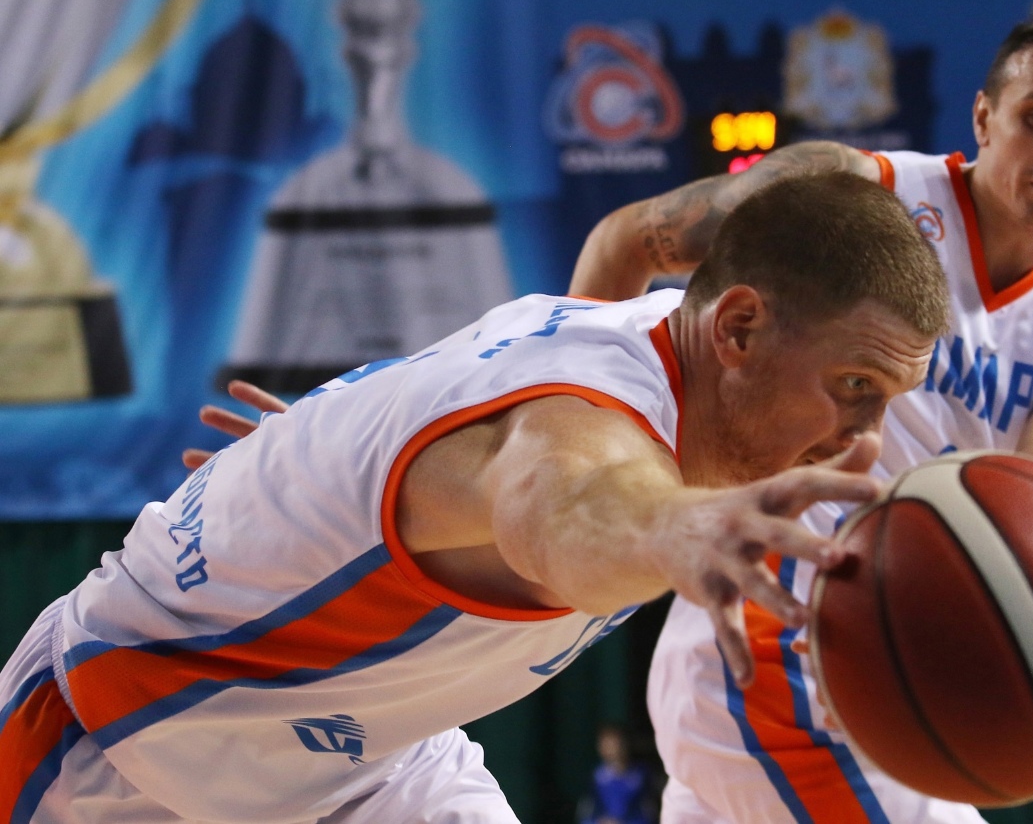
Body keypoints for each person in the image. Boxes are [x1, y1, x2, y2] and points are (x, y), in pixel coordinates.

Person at [0, 173, 951, 824]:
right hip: (132, 740)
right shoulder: (579, 430)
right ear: (737, 327)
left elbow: (621, 242)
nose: (865, 437)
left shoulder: (663, 328)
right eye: (853, 387)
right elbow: (566, 507)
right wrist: (679, 528)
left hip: (366, 757)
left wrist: (332, 456)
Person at [569, 17, 1033, 823]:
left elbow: (1032, 519)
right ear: (984, 117)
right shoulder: (852, 191)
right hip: (769, 635)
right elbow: (623, 243)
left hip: (887, 661)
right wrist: (580, 449)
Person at [577, 724, 659, 824]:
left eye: (616, 743)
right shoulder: (596, 777)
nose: (613, 748)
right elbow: (585, 814)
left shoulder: (642, 775)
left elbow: (651, 814)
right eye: (607, 744)